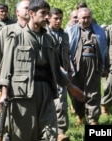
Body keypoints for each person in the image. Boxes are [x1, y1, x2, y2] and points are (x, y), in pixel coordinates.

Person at [0, 0, 85, 140]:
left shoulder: (49, 39)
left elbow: (56, 68)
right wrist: (3, 94)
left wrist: (70, 86)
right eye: (43, 13)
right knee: (23, 135)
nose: (46, 17)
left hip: (46, 92)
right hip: (23, 95)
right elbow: (6, 69)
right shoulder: (15, 37)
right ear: (31, 13)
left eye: (47, 14)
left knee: (49, 133)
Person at [68, 7, 107, 125]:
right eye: (83, 18)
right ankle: (80, 115)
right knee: (77, 91)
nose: (86, 20)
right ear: (78, 19)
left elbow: (105, 50)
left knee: (93, 91)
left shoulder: (99, 31)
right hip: (76, 65)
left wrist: (105, 66)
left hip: (93, 63)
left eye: (88, 17)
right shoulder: (70, 31)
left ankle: (93, 118)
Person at [46, 7, 71, 141]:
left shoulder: (65, 34)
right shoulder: (44, 34)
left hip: (62, 73)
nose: (58, 21)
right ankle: (47, 131)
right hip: (47, 73)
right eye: (56, 18)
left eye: (60, 18)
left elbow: (67, 54)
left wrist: (69, 70)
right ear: (48, 18)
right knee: (48, 102)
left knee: (62, 103)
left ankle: (60, 131)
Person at [0, 0, 30, 81]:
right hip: (8, 76)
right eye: (26, 8)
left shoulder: (37, 33)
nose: (29, 10)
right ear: (17, 12)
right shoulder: (6, 30)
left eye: (31, 8)